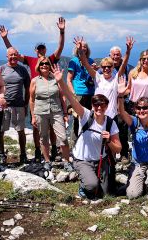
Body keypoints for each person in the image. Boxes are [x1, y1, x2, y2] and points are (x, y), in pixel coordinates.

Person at [0, 17, 65, 162]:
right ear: (35, 50)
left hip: (52, 97)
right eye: (39, 48)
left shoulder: (50, 59)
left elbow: (59, 49)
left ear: (45, 50)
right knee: (36, 127)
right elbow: (13, 54)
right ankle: (38, 151)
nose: (41, 50)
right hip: (37, 99)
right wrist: (5, 39)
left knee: (52, 127)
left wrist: (62, 32)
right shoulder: (31, 60)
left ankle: (53, 148)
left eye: (43, 48)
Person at [53, 64, 122, 199]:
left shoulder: (110, 122)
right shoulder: (85, 115)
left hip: (100, 160)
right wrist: (61, 81)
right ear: (92, 106)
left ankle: (96, 179)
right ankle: (84, 186)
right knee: (92, 187)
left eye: (102, 104)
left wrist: (108, 141)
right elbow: (72, 99)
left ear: (107, 106)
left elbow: (118, 148)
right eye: (96, 104)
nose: (99, 107)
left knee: (107, 193)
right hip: (83, 159)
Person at [29, 56, 73, 172]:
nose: (44, 65)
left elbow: (62, 96)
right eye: (42, 64)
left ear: (50, 66)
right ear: (38, 66)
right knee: (43, 138)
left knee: (63, 137)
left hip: (56, 111)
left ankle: (67, 161)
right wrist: (33, 116)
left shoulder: (55, 79)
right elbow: (32, 100)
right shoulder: (34, 81)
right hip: (40, 112)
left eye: (47, 63)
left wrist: (65, 113)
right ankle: (47, 161)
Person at [0, 47, 30, 164]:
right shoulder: (1, 69)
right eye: (11, 55)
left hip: (19, 105)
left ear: (18, 56)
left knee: (21, 130)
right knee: (1, 131)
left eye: (15, 55)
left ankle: (23, 154)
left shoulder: (23, 70)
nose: (13, 57)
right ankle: (1, 154)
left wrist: (26, 104)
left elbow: (27, 88)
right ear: (7, 56)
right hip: (4, 106)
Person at [108, 45, 135, 164]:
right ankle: (111, 155)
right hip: (110, 104)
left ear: (121, 56)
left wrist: (122, 94)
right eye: (113, 54)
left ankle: (124, 153)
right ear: (110, 56)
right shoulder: (106, 68)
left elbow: (131, 86)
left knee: (123, 129)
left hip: (123, 103)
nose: (115, 56)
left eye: (118, 54)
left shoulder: (128, 69)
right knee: (111, 129)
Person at [67, 39, 96, 144]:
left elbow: (94, 77)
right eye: (81, 46)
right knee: (76, 119)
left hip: (90, 93)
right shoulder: (73, 61)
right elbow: (69, 79)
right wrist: (73, 93)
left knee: (90, 118)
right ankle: (75, 144)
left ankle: (88, 141)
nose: (83, 48)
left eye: (85, 47)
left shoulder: (91, 61)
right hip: (78, 93)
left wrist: (95, 69)